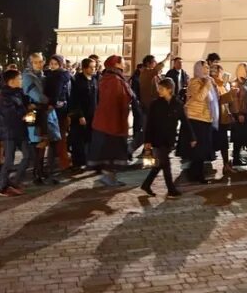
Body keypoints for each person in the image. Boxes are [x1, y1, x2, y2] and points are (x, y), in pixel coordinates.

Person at [89, 55, 133, 186]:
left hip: (108, 122)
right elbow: (115, 102)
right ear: (116, 65)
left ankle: (109, 177)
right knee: (112, 152)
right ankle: (109, 178)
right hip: (111, 123)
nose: (125, 65)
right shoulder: (114, 80)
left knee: (109, 151)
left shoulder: (111, 79)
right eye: (123, 63)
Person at [141, 77, 183, 198]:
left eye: (161, 89)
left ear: (169, 90)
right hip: (157, 139)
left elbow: (184, 121)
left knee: (159, 164)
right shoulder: (155, 104)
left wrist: (191, 137)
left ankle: (146, 184)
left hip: (169, 139)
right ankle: (171, 189)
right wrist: (147, 141)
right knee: (165, 163)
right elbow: (149, 124)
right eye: (158, 88)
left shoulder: (177, 103)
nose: (158, 91)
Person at [23, 54, 61, 185]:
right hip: (36, 114)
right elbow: (37, 96)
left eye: (40, 61)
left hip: (47, 113)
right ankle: (37, 173)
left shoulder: (43, 76)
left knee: (48, 141)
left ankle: (43, 171)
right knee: (38, 144)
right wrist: (51, 101)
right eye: (36, 62)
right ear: (30, 63)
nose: (39, 64)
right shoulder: (28, 77)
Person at [0, 69, 34, 196]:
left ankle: (15, 181)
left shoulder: (19, 93)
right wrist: (25, 114)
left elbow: (25, 105)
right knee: (9, 161)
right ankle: (2, 187)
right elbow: (10, 115)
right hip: (9, 132)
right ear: (11, 81)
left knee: (28, 155)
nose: (21, 80)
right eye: (20, 78)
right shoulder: (4, 96)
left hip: (21, 130)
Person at [184, 61, 216, 183]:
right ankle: (196, 174)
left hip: (206, 119)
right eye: (205, 67)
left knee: (202, 150)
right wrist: (207, 84)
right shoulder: (194, 82)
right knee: (199, 150)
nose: (207, 69)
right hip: (196, 119)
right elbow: (199, 97)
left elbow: (212, 100)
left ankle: (196, 173)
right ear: (199, 69)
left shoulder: (205, 81)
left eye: (208, 67)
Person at [68, 57, 98, 169]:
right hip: (80, 115)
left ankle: (88, 160)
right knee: (78, 140)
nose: (94, 69)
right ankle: (78, 162)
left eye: (94, 67)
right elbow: (74, 99)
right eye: (91, 67)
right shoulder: (77, 80)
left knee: (89, 139)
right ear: (85, 68)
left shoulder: (94, 80)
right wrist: (79, 115)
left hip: (92, 114)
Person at [44, 55, 73, 171]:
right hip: (61, 108)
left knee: (58, 136)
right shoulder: (57, 75)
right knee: (58, 136)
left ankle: (62, 161)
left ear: (60, 64)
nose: (52, 66)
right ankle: (60, 160)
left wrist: (51, 104)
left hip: (57, 109)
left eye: (55, 64)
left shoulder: (58, 76)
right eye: (51, 64)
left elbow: (56, 91)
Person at [229, 63, 247, 166]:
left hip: (246, 112)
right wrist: (239, 113)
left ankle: (237, 156)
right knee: (239, 137)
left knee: (244, 136)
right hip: (240, 113)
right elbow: (234, 100)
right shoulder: (236, 83)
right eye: (246, 70)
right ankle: (235, 158)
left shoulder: (245, 82)